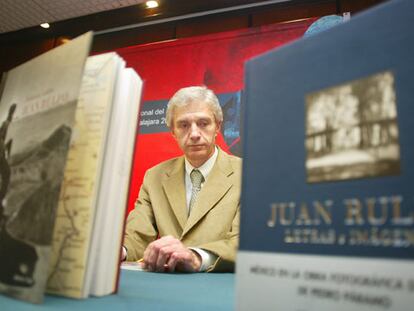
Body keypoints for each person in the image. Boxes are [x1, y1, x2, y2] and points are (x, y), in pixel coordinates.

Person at [122, 86, 242, 273]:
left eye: (203, 123)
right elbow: (136, 236)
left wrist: (195, 257)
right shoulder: (154, 177)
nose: (194, 134)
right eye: (184, 125)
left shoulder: (248, 174)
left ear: (218, 126)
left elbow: (244, 241)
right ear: (173, 131)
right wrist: (120, 252)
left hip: (221, 291)